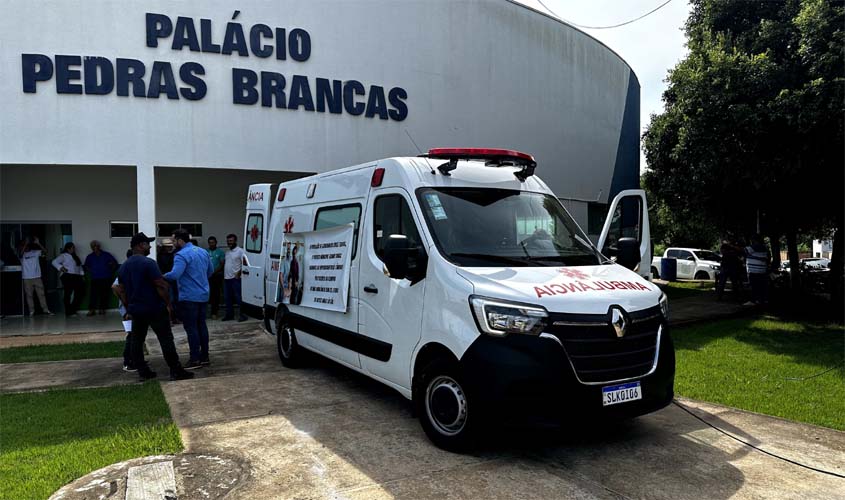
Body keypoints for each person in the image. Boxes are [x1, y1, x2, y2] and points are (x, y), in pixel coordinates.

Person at [114, 232, 193, 381]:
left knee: (137, 340)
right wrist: (169, 304)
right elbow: (160, 285)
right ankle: (175, 370)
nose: (150, 246)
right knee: (165, 339)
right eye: (147, 244)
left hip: (136, 310)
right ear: (141, 245)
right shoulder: (148, 263)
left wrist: (128, 307)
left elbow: (120, 289)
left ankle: (143, 372)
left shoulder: (124, 266)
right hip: (154, 308)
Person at [164, 229, 214, 368]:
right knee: (201, 326)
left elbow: (175, 275)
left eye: (174, 240)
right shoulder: (203, 251)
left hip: (189, 297)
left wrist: (161, 276)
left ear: (180, 240)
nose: (173, 244)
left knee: (191, 328)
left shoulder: (181, 255)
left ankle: (194, 359)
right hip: (203, 295)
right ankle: (204, 357)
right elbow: (210, 271)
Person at [112, 249, 135, 371]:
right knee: (131, 335)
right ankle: (128, 361)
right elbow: (115, 287)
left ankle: (135, 358)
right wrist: (126, 306)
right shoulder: (126, 270)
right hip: (128, 310)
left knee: (136, 335)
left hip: (130, 309)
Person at [21, 237, 53, 316]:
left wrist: (38, 243)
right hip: (27, 278)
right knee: (29, 295)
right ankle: (31, 311)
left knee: (41, 294)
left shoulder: (35, 252)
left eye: (27, 245)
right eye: (24, 245)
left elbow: (46, 252)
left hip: (37, 277)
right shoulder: (21, 254)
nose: (26, 247)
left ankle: (45, 310)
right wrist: (26, 243)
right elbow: (20, 254)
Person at [84, 240, 117, 315]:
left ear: (99, 247)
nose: (94, 248)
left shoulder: (106, 255)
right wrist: (91, 270)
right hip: (95, 278)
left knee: (104, 294)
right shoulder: (90, 256)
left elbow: (114, 263)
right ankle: (91, 310)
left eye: (95, 246)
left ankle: (102, 309)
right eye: (92, 246)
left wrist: (110, 272)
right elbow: (86, 266)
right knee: (93, 294)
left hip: (106, 277)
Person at [52, 242, 85, 316]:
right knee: (68, 293)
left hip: (77, 276)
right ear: (68, 249)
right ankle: (68, 312)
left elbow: (79, 267)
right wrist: (61, 268)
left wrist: (82, 275)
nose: (74, 249)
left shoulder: (75, 256)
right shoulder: (63, 256)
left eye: (74, 248)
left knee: (81, 293)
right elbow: (54, 262)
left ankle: (72, 309)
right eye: (72, 248)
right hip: (67, 276)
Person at [223, 233, 247, 322]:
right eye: (228, 241)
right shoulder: (227, 252)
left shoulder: (240, 251)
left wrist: (239, 272)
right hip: (226, 279)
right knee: (227, 298)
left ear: (235, 241)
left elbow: (245, 264)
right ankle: (229, 315)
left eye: (231, 241)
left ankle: (243, 315)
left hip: (236, 279)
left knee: (238, 298)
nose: (229, 242)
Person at [744, 234, 771, 306]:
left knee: (754, 286)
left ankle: (753, 301)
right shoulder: (765, 247)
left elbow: (744, 251)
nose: (751, 241)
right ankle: (763, 300)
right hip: (762, 270)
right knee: (762, 286)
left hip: (755, 271)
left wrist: (731, 246)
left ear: (755, 240)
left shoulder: (755, 246)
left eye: (752, 240)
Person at [207, 236, 225, 319]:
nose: (211, 244)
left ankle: (214, 312)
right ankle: (206, 313)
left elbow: (221, 264)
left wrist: (213, 272)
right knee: (207, 294)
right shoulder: (206, 252)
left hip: (216, 276)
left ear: (216, 242)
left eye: (213, 242)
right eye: (210, 242)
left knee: (216, 294)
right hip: (207, 276)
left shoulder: (220, 252)